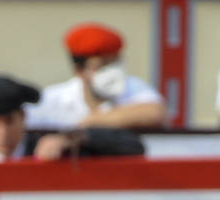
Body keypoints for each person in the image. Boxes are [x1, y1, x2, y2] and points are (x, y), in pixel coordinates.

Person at [0, 74, 145, 162]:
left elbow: (133, 146)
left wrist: (69, 139)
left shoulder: (50, 148)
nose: (2, 134)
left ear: (23, 117)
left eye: (9, 121)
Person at [24, 22, 168, 132]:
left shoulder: (133, 87)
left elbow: (155, 113)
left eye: (116, 62)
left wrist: (91, 121)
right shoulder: (55, 99)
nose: (113, 72)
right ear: (79, 71)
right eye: (103, 65)